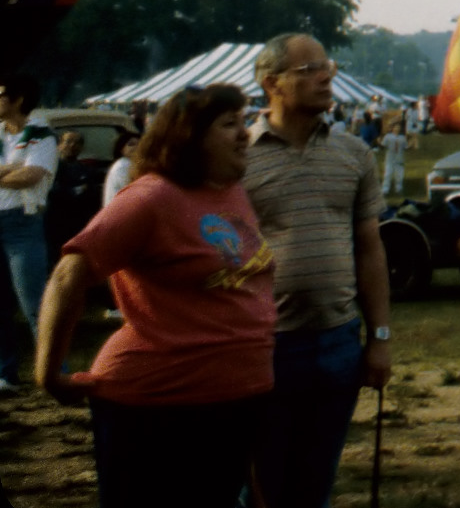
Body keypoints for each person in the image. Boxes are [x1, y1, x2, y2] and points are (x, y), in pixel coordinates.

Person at [35, 84, 276, 508]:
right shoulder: (151, 198)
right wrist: (48, 372)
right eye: (229, 124)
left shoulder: (230, 191)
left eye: (244, 122)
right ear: (191, 136)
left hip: (236, 400)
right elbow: (68, 273)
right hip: (158, 408)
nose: (245, 133)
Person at [243, 32, 390, 508]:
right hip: (263, 345)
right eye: (309, 69)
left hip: (337, 343)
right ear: (272, 83)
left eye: (328, 65)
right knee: (261, 482)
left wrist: (379, 338)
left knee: (314, 482)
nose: (327, 76)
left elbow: (370, 249)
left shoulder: (354, 154)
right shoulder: (236, 158)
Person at [1, 74, 59, 391]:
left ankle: (55, 374)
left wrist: (13, 172)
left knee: (35, 303)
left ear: (18, 99)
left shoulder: (41, 136)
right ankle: (5, 373)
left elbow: (31, 176)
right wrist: (13, 169)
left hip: (23, 222)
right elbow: (21, 172)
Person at [103, 128, 139, 205]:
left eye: (139, 144)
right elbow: (131, 191)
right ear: (122, 149)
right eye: (131, 144)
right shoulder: (122, 166)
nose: (136, 147)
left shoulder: (132, 163)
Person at [380, 115, 409, 198]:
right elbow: (383, 145)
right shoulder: (388, 137)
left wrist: (410, 144)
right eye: (395, 127)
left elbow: (405, 147)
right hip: (390, 158)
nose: (397, 129)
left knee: (399, 174)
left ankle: (398, 188)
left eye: (398, 128)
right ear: (392, 128)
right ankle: (385, 189)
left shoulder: (402, 137)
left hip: (399, 158)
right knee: (388, 174)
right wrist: (380, 142)